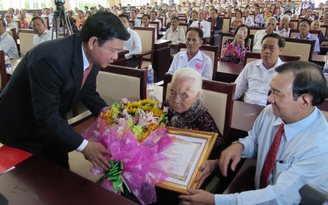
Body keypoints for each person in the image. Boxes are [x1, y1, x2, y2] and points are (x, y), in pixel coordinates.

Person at [179, 60, 328, 205]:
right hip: (255, 193)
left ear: (304, 102)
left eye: (277, 93)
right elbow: (255, 140)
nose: (269, 99)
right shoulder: (270, 113)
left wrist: (215, 200)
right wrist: (240, 146)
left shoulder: (319, 147)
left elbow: (279, 197)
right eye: (271, 90)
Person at [0, 11, 130, 170]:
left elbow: (88, 92)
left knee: (60, 174)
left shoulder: (93, 57)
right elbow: (46, 116)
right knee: (31, 183)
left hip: (52, 124)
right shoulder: (51, 60)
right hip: (22, 128)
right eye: (113, 50)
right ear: (93, 42)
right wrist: (85, 146)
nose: (116, 57)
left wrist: (111, 116)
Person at [234, 33, 285, 106]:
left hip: (269, 110)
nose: (266, 51)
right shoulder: (250, 67)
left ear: (280, 50)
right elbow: (236, 90)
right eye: (264, 47)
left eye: (271, 48)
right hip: (246, 106)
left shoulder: (285, 72)